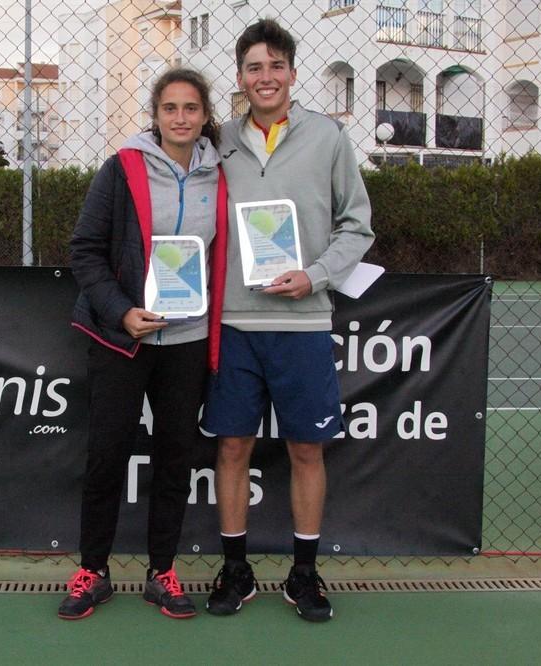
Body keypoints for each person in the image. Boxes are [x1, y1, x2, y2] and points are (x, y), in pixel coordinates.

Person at [202, 18, 374, 622]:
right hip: (233, 323)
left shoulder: (328, 137)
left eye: (276, 65)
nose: (265, 76)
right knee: (232, 446)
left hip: (303, 322)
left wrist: (316, 275)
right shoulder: (216, 139)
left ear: (293, 74)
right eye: (254, 67)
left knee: (306, 448)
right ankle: (235, 569)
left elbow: (358, 225)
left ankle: (304, 574)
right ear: (241, 77)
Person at [58, 68, 229, 620]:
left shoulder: (221, 175)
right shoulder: (122, 168)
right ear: (155, 115)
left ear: (206, 116)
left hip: (187, 339)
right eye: (170, 108)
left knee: (175, 457)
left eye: (191, 108)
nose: (181, 118)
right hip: (123, 338)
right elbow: (84, 249)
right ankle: (94, 571)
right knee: (107, 453)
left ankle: (163, 572)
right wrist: (121, 312)